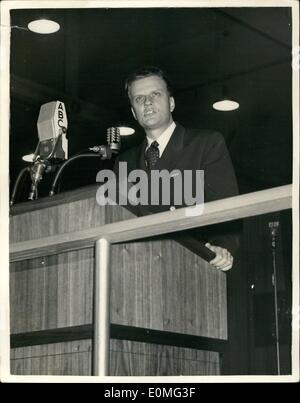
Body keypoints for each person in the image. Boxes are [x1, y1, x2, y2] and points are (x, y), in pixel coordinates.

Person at [114, 67, 239, 271]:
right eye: (139, 99)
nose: (147, 103)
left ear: (171, 103)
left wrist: (222, 247)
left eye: (155, 94)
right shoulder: (124, 163)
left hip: (192, 265)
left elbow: (227, 206)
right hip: (137, 269)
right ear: (133, 113)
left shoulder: (206, 144)